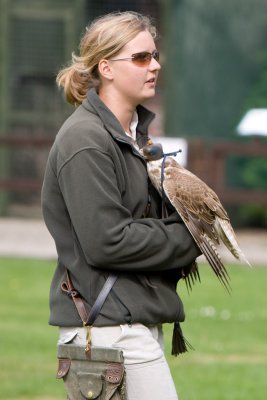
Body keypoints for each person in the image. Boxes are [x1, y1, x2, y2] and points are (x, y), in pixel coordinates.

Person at [41, 11, 200, 400]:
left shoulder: (129, 138)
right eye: (142, 58)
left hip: (129, 324)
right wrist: (191, 235)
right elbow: (108, 241)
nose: (155, 66)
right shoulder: (85, 141)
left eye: (155, 55)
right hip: (110, 331)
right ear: (106, 67)